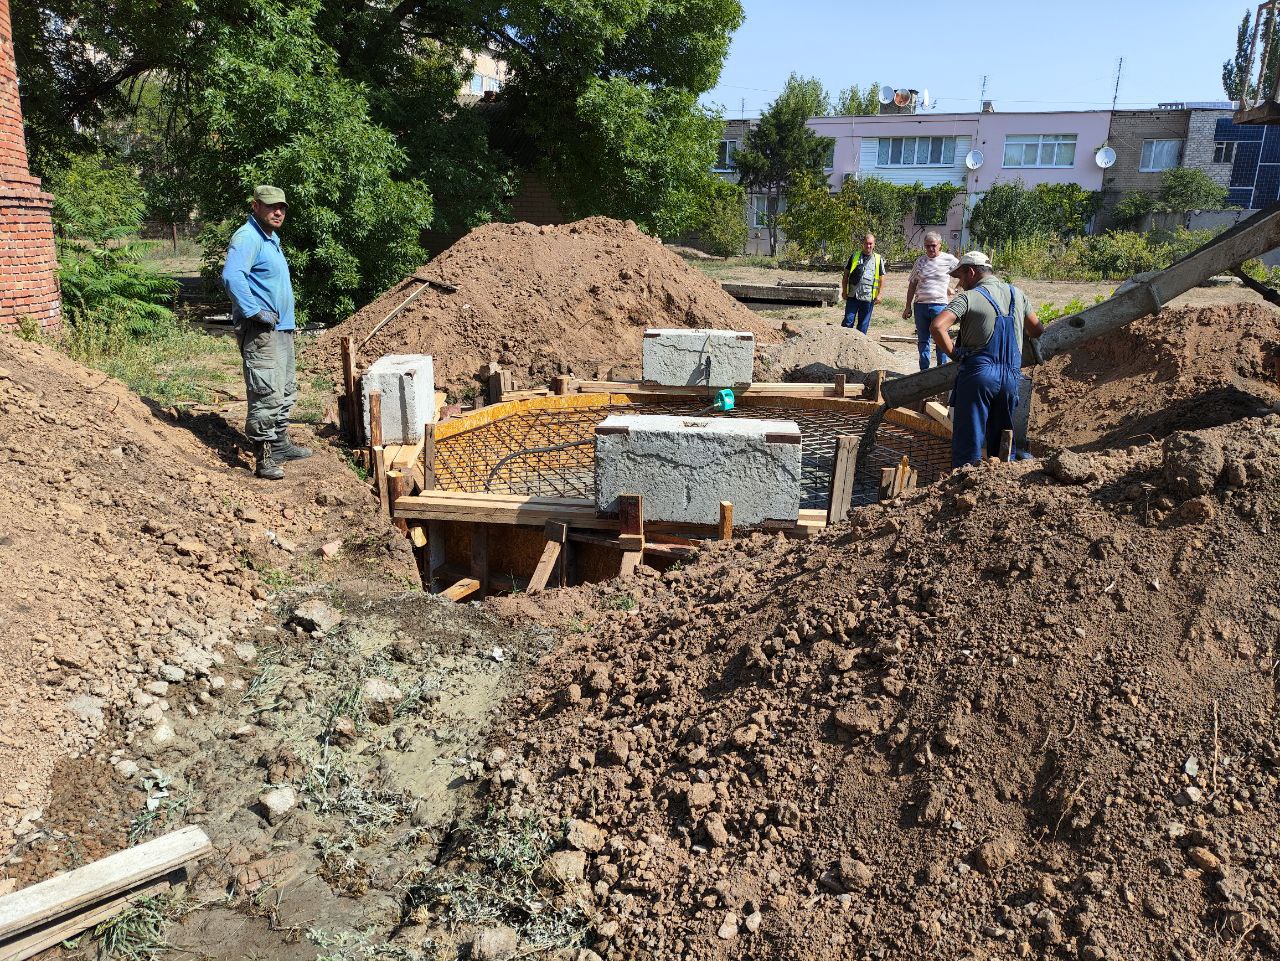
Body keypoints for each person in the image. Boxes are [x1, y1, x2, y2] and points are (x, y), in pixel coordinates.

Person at [221, 185, 312, 480]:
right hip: (262, 330)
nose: (278, 212)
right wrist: (253, 311)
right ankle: (264, 458)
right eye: (272, 206)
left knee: (285, 389)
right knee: (266, 392)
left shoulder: (271, 238)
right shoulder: (247, 237)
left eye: (282, 207)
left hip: (281, 328)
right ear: (255, 206)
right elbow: (232, 276)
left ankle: (281, 445)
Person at [928, 252, 1043, 468]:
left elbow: (937, 326)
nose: (959, 284)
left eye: (960, 278)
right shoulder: (1017, 294)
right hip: (1010, 378)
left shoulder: (968, 298)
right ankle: (997, 488)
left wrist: (954, 353)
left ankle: (963, 486)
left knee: (968, 442)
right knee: (1001, 441)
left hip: (978, 375)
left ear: (971, 272)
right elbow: (1037, 329)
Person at [902, 231, 959, 370]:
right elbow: (912, 284)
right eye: (927, 246)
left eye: (933, 246)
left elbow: (964, 273)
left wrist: (955, 289)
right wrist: (907, 306)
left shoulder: (949, 259)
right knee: (923, 340)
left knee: (941, 340)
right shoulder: (920, 261)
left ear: (940, 245)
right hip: (920, 306)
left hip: (940, 306)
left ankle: (941, 372)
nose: (930, 249)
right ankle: (924, 371)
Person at [840, 233, 885, 335]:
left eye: (870, 244)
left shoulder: (878, 259)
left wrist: (880, 294)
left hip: (868, 297)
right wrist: (844, 291)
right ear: (862, 244)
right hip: (853, 296)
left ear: (874, 244)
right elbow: (846, 275)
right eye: (866, 243)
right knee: (848, 321)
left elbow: (882, 279)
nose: (868, 246)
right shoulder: (854, 256)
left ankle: (858, 349)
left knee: (863, 326)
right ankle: (844, 345)